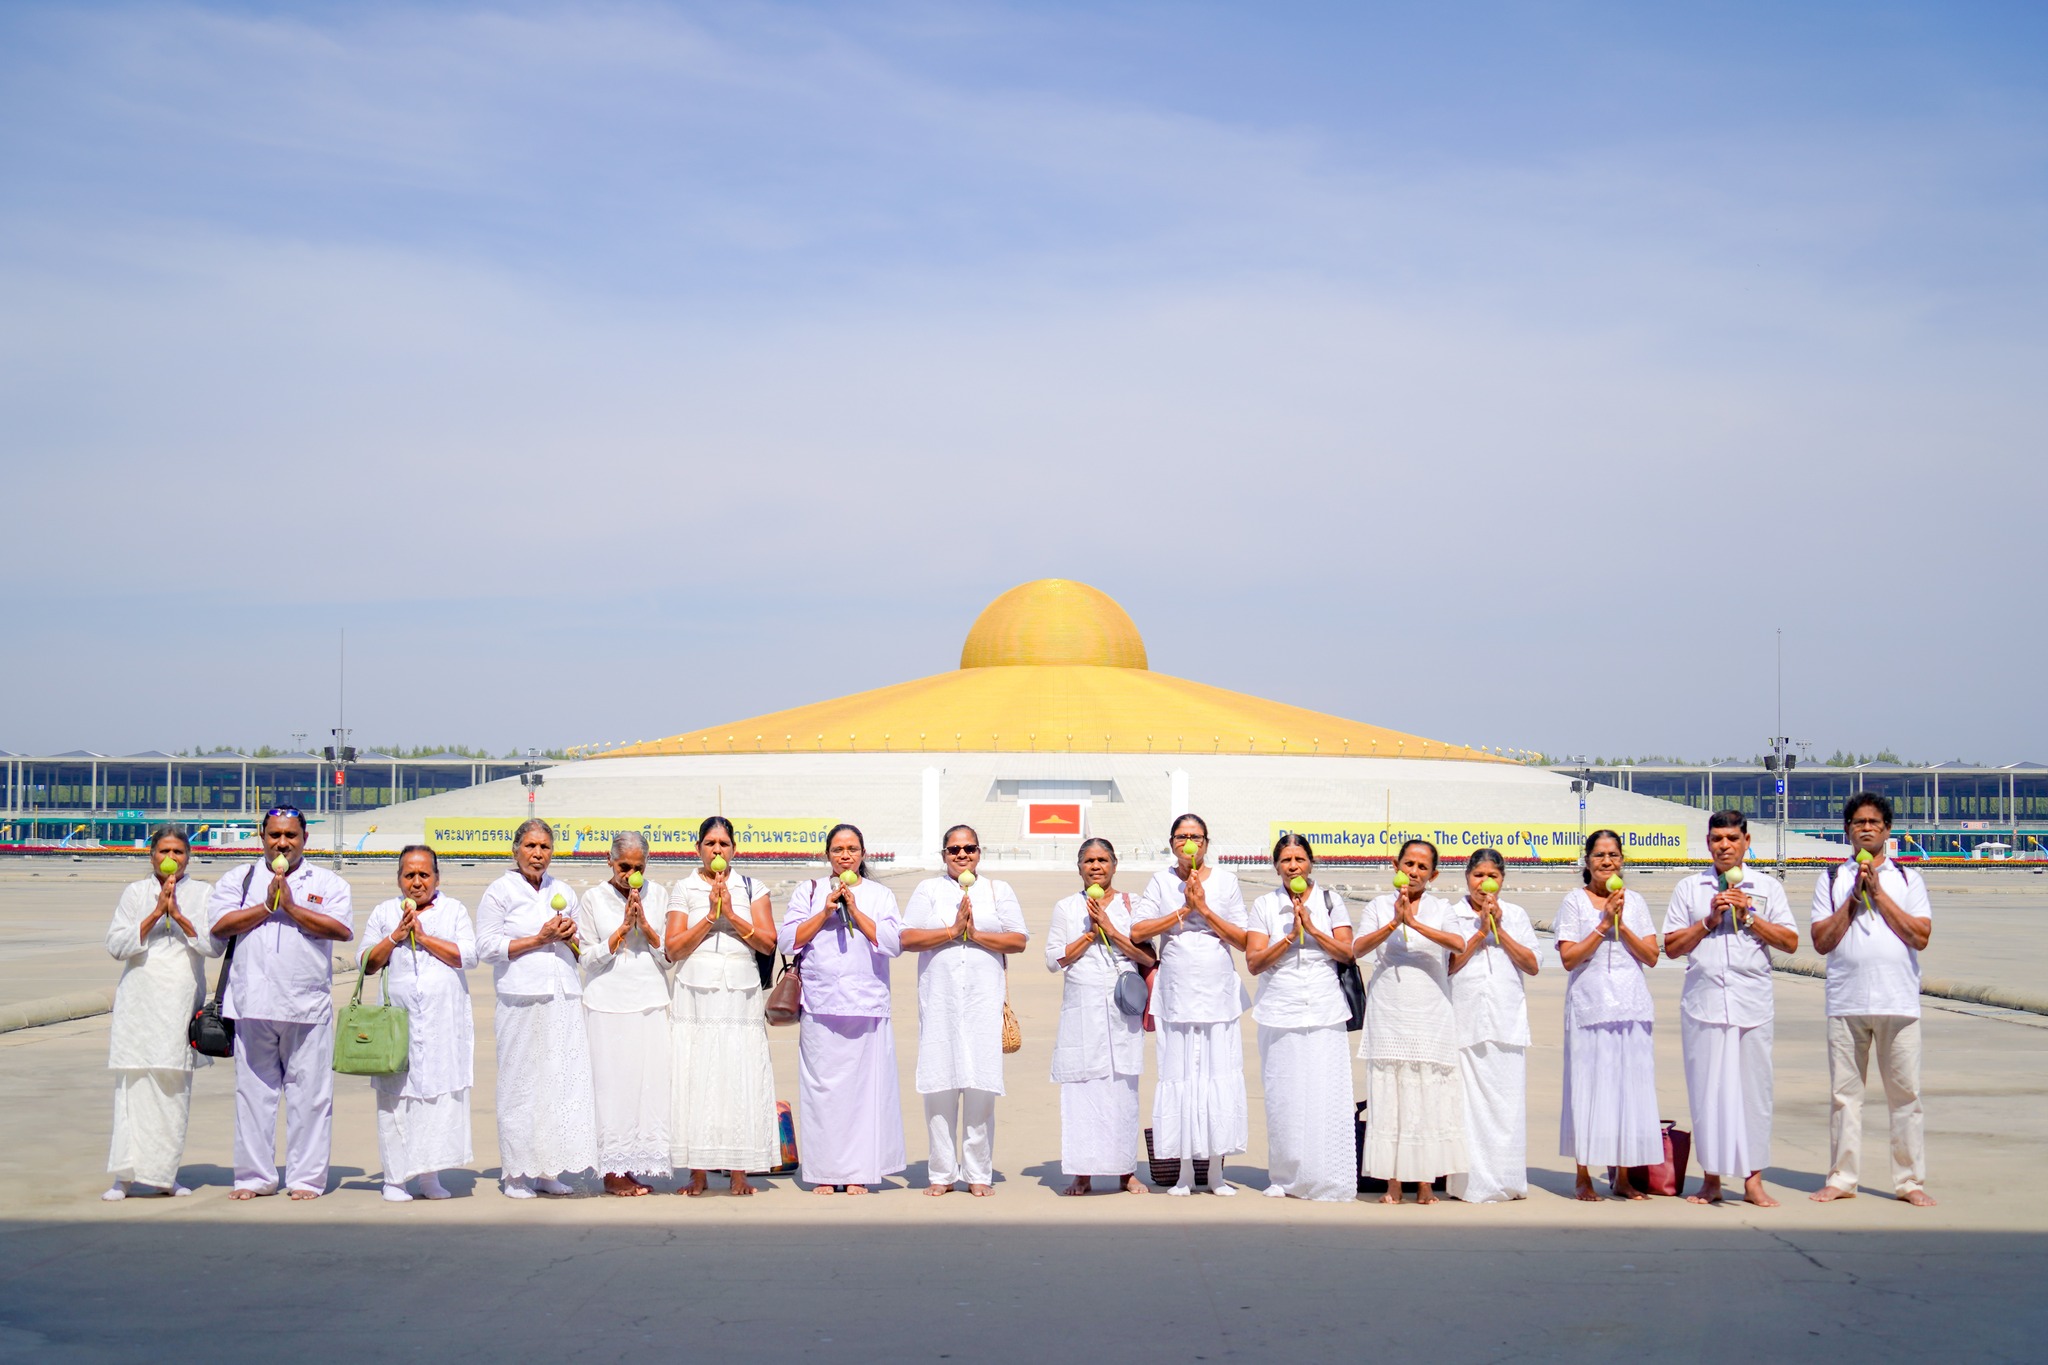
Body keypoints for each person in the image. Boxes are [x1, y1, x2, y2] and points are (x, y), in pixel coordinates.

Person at [206, 806, 355, 1200]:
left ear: (305, 839)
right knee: (253, 1096)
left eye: (291, 835)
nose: (283, 843)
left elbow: (342, 930)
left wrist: (291, 907)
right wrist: (266, 906)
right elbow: (219, 927)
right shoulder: (240, 879)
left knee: (310, 1097)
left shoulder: (328, 882)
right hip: (251, 1004)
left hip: (306, 1005)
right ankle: (254, 1177)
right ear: (262, 837)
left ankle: (306, 1179)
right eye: (275, 835)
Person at [1663, 810, 1798, 1207]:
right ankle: (1711, 1178)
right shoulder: (1690, 888)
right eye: (1717, 839)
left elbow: (1790, 942)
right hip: (1703, 1004)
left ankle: (1753, 1180)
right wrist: (1709, 921)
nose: (1725, 846)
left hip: (1751, 1004)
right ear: (1708, 843)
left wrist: (1748, 917)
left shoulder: (1767, 887)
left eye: (1732, 839)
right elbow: (1671, 947)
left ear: (1746, 842)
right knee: (1708, 1093)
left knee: (1753, 1094)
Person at [1809, 792, 1936, 1207]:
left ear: (1887, 830)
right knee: (1845, 1097)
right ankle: (1842, 1178)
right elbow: (1821, 941)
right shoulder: (1832, 878)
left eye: (1874, 822)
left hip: (1898, 1001)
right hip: (1847, 1001)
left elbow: (1920, 935)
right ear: (1847, 830)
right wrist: (1853, 898)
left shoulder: (1907, 879)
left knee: (1906, 1097)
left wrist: (1878, 895)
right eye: (1858, 822)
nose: (1866, 828)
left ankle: (1909, 1181)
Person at [901, 824, 1029, 1197]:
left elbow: (1018, 939)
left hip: (982, 1003)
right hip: (940, 1003)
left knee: (980, 1089)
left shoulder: (997, 890)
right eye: (954, 849)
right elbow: (907, 937)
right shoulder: (929, 889)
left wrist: (975, 935)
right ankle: (941, 1173)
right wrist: (952, 931)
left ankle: (978, 1172)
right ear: (944, 854)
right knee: (939, 1089)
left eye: (969, 848)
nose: (962, 855)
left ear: (979, 852)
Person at [778, 823, 905, 1194]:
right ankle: (825, 1171)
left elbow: (893, 943)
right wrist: (824, 912)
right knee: (823, 1092)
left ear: (862, 854)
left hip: (866, 1004)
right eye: (838, 849)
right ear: (827, 855)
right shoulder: (810, 891)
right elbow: (787, 940)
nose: (845, 856)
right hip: (820, 1005)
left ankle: (857, 1172)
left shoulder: (880, 895)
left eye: (852, 849)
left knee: (863, 1094)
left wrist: (856, 911)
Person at [477, 818, 598, 1198]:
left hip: (562, 995)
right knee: (520, 1087)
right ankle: (515, 1174)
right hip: (520, 998)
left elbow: (580, 949)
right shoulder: (499, 892)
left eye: (545, 847)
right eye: (530, 846)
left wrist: (570, 937)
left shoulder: (562, 890)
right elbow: (486, 948)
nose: (537, 854)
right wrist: (538, 938)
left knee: (557, 1085)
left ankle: (548, 1170)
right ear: (515, 850)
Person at [1132, 813, 1250, 1196]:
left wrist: (1204, 909)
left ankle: (1215, 1171)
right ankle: (1183, 1170)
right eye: (1182, 837)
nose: (1189, 843)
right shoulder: (1160, 881)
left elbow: (1243, 938)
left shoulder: (1226, 881)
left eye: (1196, 837)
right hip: (1177, 991)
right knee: (1181, 1074)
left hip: (1217, 991)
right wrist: (1183, 910)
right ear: (1172, 844)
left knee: (1217, 1072)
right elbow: (1138, 930)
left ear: (1206, 843)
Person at [665, 816, 780, 1196]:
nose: (717, 850)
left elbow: (767, 942)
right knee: (696, 1072)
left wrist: (730, 913)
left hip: (739, 994)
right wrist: (709, 917)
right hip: (695, 993)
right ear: (698, 848)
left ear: (734, 849)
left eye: (724, 844)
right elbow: (673, 948)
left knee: (738, 1073)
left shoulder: (752, 887)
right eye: (710, 843)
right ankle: (697, 1171)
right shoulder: (684, 888)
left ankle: (739, 1170)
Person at [103, 828, 219, 1200]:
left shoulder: (203, 893)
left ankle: (165, 1176)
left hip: (179, 1001)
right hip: (138, 1001)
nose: (171, 858)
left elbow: (213, 946)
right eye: (164, 851)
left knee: (173, 1090)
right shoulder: (135, 893)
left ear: (189, 856)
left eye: (178, 852)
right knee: (132, 1087)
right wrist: (156, 912)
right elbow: (116, 946)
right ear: (151, 854)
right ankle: (123, 1178)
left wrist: (179, 916)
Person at [360, 845, 476, 1202]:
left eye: (424, 874)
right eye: (409, 875)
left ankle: (430, 1177)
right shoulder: (384, 912)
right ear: (399, 879)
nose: (417, 882)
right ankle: (394, 1180)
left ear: (437, 878)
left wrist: (422, 937)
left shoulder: (453, 910)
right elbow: (367, 962)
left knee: (435, 1098)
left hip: (443, 1024)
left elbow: (467, 956)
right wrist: (396, 936)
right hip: (397, 1024)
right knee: (395, 1099)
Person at [1243, 833, 1356, 1202]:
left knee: (1325, 1092)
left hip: (1324, 1007)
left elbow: (1347, 953)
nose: (1293, 866)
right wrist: (1291, 936)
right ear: (1276, 866)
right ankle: (1286, 1176)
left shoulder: (1330, 901)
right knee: (1284, 1095)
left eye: (1299, 859)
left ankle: (1327, 1174)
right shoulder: (1264, 905)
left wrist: (1313, 929)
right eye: (1286, 860)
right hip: (1281, 1008)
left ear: (1311, 863)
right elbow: (1254, 962)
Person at [1353, 839, 1466, 1203]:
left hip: (1430, 1013)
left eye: (1422, 867)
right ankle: (1393, 1183)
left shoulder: (1441, 907)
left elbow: (1458, 943)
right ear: (1396, 866)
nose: (1414, 872)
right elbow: (1357, 948)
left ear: (1433, 875)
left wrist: (1414, 923)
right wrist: (1393, 923)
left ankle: (1425, 1183)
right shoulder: (1377, 905)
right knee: (1390, 1096)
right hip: (1390, 1012)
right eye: (1408, 864)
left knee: (1427, 1095)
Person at [1555, 829, 1662, 1200]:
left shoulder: (1636, 902)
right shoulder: (1574, 901)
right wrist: (1603, 924)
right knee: (1587, 1087)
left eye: (1613, 855)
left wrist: (1622, 923)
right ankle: (1583, 1175)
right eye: (1599, 855)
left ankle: (1624, 1175)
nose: (1607, 861)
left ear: (1622, 860)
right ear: (1587, 861)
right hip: (1590, 1006)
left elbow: (1651, 955)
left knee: (1627, 1090)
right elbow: (1569, 958)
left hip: (1630, 1005)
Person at [1045, 838, 1153, 1196]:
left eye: (1103, 860)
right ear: (1079, 867)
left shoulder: (1133, 904)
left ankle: (1125, 1171)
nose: (1096, 866)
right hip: (1082, 1006)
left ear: (1115, 865)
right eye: (1089, 860)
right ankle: (1082, 1172)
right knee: (1082, 1091)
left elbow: (1148, 957)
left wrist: (1110, 928)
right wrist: (1091, 933)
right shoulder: (1066, 907)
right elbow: (1053, 959)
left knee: (1123, 1091)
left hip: (1122, 1008)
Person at [576, 832, 673, 1196]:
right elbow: (586, 959)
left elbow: (668, 958)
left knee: (646, 1086)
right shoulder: (593, 898)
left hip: (650, 1000)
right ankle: (612, 1170)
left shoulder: (658, 895)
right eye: (624, 866)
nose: (630, 874)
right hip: (607, 1003)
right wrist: (619, 932)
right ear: (609, 861)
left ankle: (634, 1163)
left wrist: (645, 926)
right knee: (612, 1087)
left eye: (638, 867)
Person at [1444, 847, 1538, 1203]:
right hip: (1465, 1019)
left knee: (1506, 1106)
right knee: (1467, 1108)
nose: (1484, 883)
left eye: (1493, 876)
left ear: (1503, 880)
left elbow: (1531, 964)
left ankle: (1508, 1180)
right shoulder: (1451, 915)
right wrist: (1479, 932)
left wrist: (1499, 929)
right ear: (1466, 877)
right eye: (1478, 875)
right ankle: (1470, 1184)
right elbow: (1448, 965)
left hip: (1506, 1020)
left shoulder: (1516, 914)